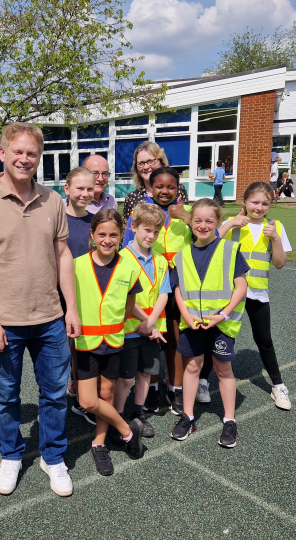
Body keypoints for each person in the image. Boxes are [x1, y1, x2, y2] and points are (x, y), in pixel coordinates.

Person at [0, 122, 80, 498]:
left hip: (49, 319)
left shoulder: (52, 201)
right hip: (5, 324)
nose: (24, 159)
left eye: (31, 153)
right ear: (2, 153)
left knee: (55, 394)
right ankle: (11, 456)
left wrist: (71, 309)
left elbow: (63, 256)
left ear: (39, 157)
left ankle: (52, 456)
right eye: (18, 152)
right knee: (6, 396)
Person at [169, 198, 249, 448]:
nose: (203, 225)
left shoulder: (230, 249)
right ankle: (188, 416)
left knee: (223, 370)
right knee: (192, 368)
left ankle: (229, 420)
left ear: (218, 223)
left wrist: (223, 315)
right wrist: (186, 315)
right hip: (193, 323)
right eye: (198, 221)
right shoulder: (181, 256)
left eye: (209, 221)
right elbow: (178, 291)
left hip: (221, 323)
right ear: (190, 222)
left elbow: (241, 287)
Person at [73, 209, 146, 476]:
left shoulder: (129, 265)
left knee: (106, 394)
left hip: (114, 341)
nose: (107, 239)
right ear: (92, 235)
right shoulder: (76, 264)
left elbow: (129, 303)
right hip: (85, 343)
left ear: (122, 235)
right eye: (101, 234)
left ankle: (99, 442)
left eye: (113, 234)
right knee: (88, 400)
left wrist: (116, 323)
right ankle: (127, 430)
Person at [123, 167, 193, 414]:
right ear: (150, 188)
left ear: (178, 187)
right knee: (148, 341)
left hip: (178, 286)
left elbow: (209, 236)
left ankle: (175, 388)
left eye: (171, 186)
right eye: (159, 187)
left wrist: (186, 216)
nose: (165, 191)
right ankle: (150, 388)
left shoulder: (185, 213)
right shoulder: (144, 214)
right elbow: (127, 248)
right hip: (148, 287)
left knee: (174, 339)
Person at [217, 182, 293, 410]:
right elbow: (209, 246)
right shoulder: (232, 225)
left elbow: (279, 263)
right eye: (254, 202)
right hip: (229, 293)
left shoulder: (275, 227)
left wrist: (276, 239)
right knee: (218, 337)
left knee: (264, 340)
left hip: (258, 294)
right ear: (244, 202)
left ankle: (278, 385)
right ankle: (201, 381)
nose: (259, 207)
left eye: (265, 203)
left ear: (271, 205)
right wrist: (230, 223)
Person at [115, 203, 170, 440]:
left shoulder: (161, 260)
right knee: (126, 377)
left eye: (156, 232)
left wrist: (151, 323)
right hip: (129, 329)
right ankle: (117, 415)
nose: (151, 236)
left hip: (151, 329)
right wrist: (147, 321)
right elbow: (126, 297)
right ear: (133, 227)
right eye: (147, 230)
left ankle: (138, 413)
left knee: (146, 373)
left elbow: (164, 293)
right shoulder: (121, 258)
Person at [61, 167, 98, 423]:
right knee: (56, 349)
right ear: (66, 189)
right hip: (55, 296)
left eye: (89, 188)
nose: (85, 193)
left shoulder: (95, 222)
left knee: (80, 346)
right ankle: (52, 398)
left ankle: (79, 390)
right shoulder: (55, 219)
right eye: (79, 188)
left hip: (86, 295)